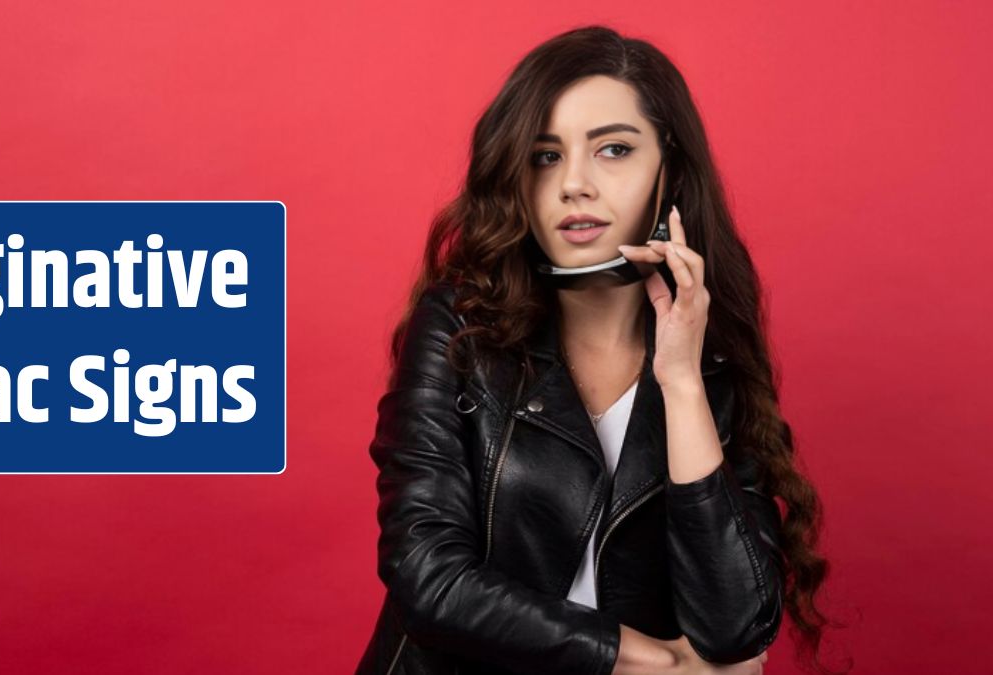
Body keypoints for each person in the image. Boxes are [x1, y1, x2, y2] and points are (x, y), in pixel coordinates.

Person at [355, 26, 845, 675]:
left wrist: (682, 382)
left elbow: (735, 630)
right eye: (545, 155)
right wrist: (646, 660)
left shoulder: (708, 352)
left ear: (667, 167)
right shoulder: (460, 325)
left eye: (614, 149)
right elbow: (428, 575)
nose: (575, 184)